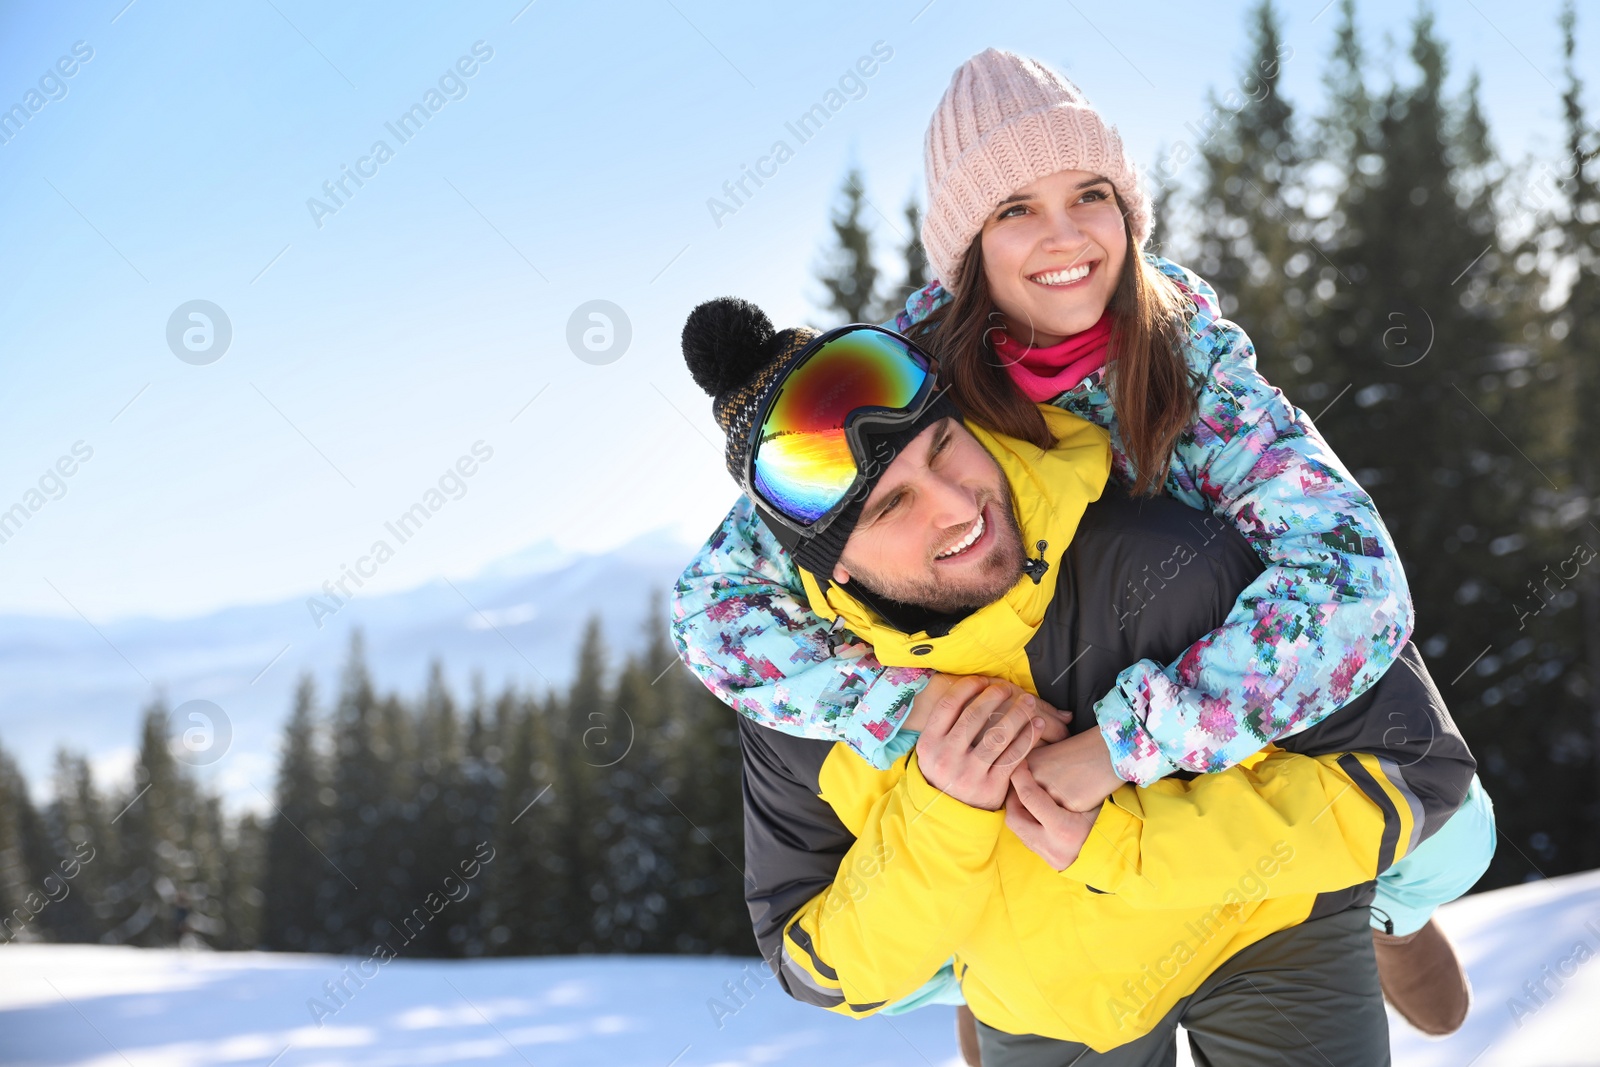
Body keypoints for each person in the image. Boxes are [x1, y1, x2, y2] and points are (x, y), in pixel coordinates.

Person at [671, 48, 1495, 1035]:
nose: (1063, 237)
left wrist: (1124, 743)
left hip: (1198, 677)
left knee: (1454, 830)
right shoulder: (901, 379)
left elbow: (1355, 588)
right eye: (1013, 207)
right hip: (1019, 704)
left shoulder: (1192, 366)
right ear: (964, 243)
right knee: (935, 901)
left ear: (1127, 209)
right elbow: (712, 608)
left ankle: (1385, 914)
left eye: (1089, 193)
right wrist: (912, 709)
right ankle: (992, 981)